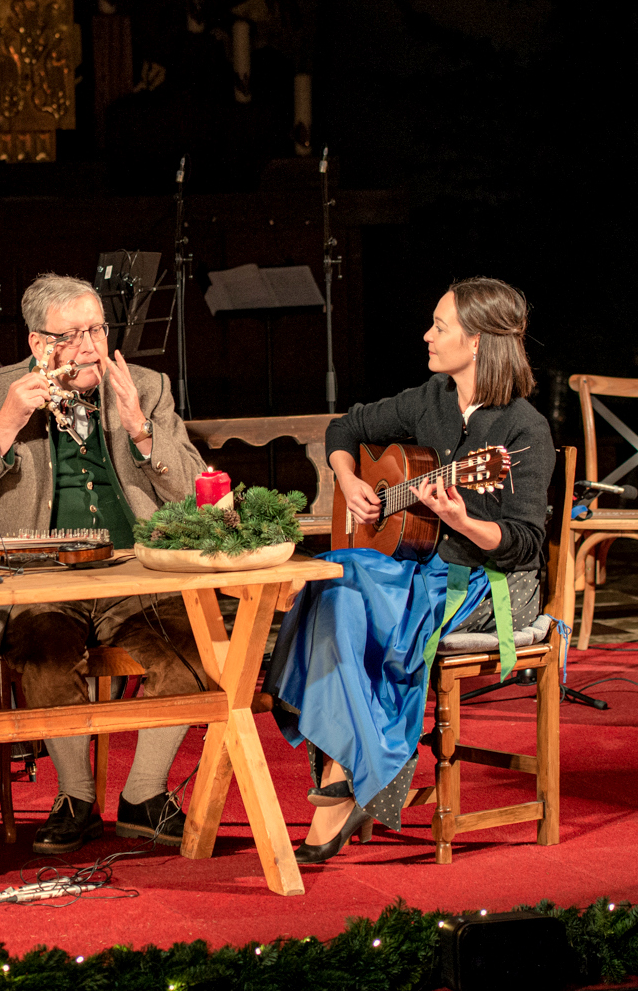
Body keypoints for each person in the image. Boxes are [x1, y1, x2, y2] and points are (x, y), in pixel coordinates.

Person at [264, 277, 555, 864]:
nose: (427, 334)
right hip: (422, 572)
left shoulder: (524, 431)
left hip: (489, 585)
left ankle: (345, 779)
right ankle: (353, 770)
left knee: (343, 593)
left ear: (476, 343)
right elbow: (345, 428)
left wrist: (463, 520)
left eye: (440, 325)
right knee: (334, 576)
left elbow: (526, 544)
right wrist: (349, 483)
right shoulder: (432, 400)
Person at [0, 273, 207, 855]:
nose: (90, 347)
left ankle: (143, 796)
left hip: (136, 574)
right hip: (38, 580)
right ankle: (76, 798)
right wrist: (6, 425)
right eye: (73, 335)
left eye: (97, 330)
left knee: (191, 649)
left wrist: (142, 430)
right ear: (38, 344)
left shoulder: (147, 387)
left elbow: (194, 493)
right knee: (44, 654)